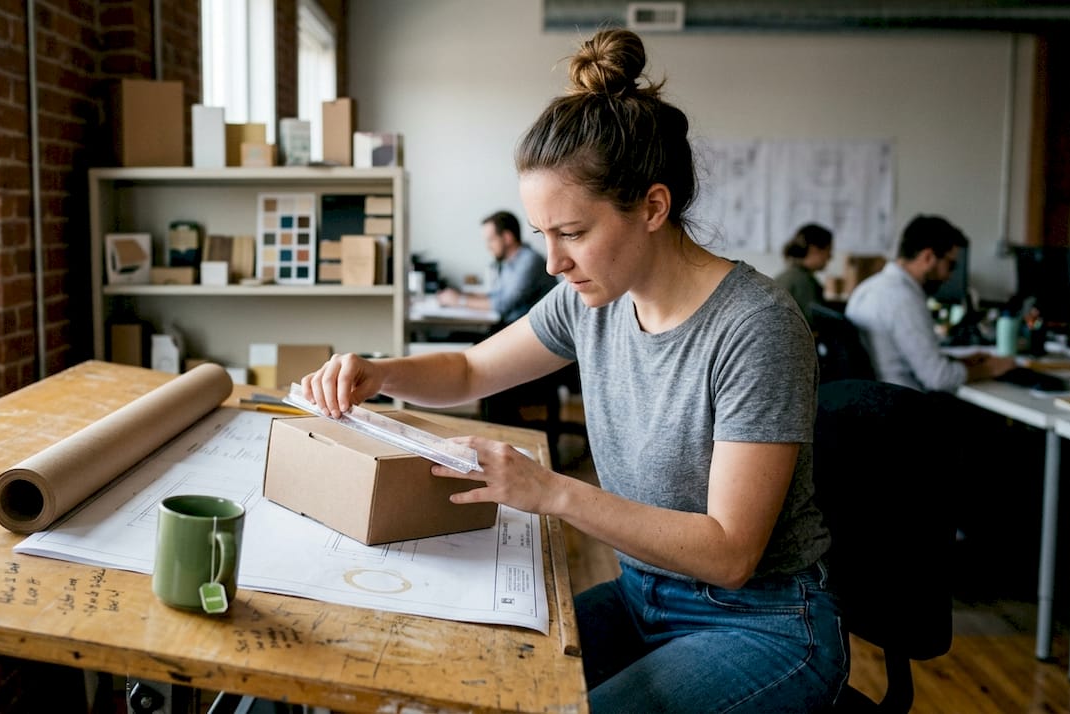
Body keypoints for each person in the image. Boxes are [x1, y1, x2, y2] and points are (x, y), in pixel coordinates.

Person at [302, 29, 847, 712]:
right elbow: (471, 370)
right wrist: (378, 372)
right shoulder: (592, 298)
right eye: (543, 236)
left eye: (574, 233)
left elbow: (730, 552)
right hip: (643, 595)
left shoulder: (756, 327)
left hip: (761, 623)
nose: (554, 262)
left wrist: (549, 490)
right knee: (458, 685)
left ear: (653, 207)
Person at [845, 215, 1014, 392]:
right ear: (928, 257)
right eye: (951, 265)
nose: (949, 276)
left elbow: (906, 358)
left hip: (874, 400)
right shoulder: (903, 299)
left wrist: (959, 362)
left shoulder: (868, 288)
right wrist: (992, 368)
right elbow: (938, 378)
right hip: (902, 408)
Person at [437, 210, 556, 325]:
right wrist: (463, 294)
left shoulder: (530, 261)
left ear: (507, 238)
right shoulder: (508, 261)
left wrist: (459, 301)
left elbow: (503, 304)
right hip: (514, 326)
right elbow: (497, 294)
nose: (488, 247)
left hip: (526, 333)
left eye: (491, 240)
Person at [774, 223, 833, 324]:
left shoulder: (786, 275)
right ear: (814, 250)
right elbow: (813, 322)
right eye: (828, 250)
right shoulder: (804, 281)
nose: (830, 257)